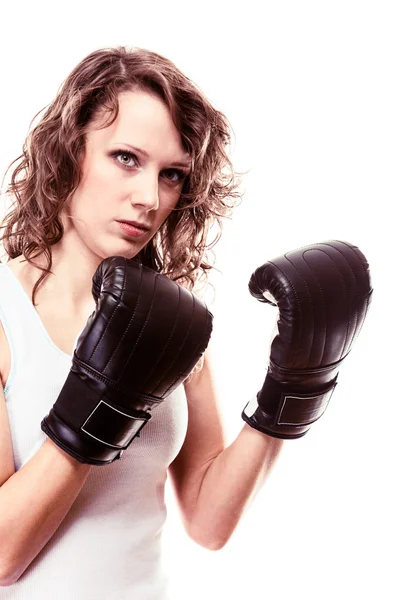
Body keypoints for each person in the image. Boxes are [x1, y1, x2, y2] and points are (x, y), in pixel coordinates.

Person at [0, 46, 372, 599]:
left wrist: (293, 388)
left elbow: (208, 520)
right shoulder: (6, 314)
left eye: (171, 174)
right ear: (68, 152)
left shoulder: (170, 320)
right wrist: (103, 401)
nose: (149, 198)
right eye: (126, 157)